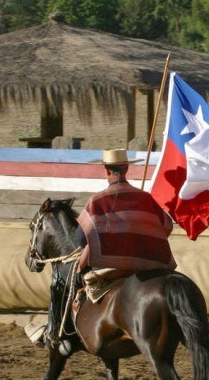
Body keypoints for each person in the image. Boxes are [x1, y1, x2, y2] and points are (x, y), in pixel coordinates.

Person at [43, 149, 176, 350]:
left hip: (112, 268)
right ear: (127, 168)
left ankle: (62, 334)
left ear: (106, 170)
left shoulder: (97, 201)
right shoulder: (145, 198)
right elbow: (167, 227)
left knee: (66, 279)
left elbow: (81, 238)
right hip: (149, 266)